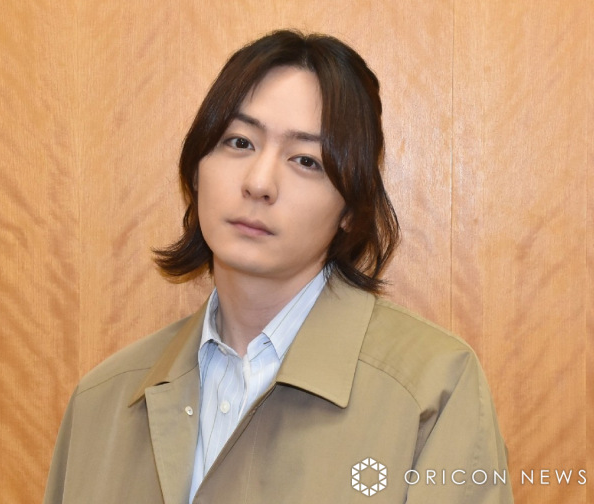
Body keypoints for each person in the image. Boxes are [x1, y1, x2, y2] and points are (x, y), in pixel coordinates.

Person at [44, 30, 513, 503]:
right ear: (196, 169)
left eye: (306, 160)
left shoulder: (433, 389)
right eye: (239, 142)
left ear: (351, 208)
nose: (259, 182)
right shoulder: (100, 403)